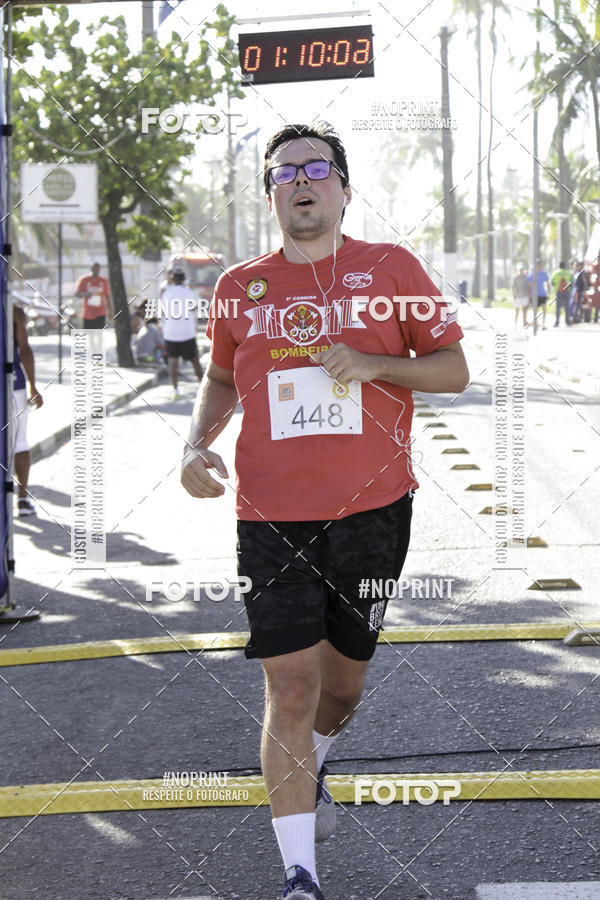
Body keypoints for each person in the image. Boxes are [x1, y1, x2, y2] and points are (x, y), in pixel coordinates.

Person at [180, 122, 469, 900]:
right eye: (284, 172)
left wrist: (375, 362)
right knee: (292, 689)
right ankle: (300, 875)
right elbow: (218, 378)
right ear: (272, 192)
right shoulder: (240, 286)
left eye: (316, 168)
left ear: (343, 185)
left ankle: (319, 763)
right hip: (270, 515)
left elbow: (454, 369)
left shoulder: (391, 267)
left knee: (341, 691)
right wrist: (194, 443)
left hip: (373, 510)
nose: (301, 181)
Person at [12, 303, 43, 516]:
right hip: (14, 384)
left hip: (14, 386)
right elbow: (24, 350)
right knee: (20, 442)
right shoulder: (15, 312)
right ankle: (22, 500)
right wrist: (33, 386)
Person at [159, 267, 203, 399]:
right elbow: (195, 308)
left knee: (173, 362)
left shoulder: (165, 293)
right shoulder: (189, 293)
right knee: (195, 361)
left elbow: (161, 310)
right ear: (184, 280)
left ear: (172, 279)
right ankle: (202, 387)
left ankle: (175, 391)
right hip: (187, 332)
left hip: (170, 333)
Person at [74, 262, 112, 329]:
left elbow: (107, 296)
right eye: (94, 269)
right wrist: (86, 295)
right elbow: (77, 294)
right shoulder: (84, 280)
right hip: (87, 313)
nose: (95, 271)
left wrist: (110, 310)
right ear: (91, 269)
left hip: (100, 312)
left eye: (97, 269)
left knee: (99, 333)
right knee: (89, 334)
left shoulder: (103, 281)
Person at [528, 260, 549, 329]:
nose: (539, 266)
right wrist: (529, 295)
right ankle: (535, 323)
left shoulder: (544, 273)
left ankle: (543, 324)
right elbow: (529, 285)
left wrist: (548, 292)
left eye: (539, 264)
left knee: (544, 309)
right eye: (537, 264)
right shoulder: (532, 274)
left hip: (542, 294)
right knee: (535, 310)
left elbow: (547, 283)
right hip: (534, 294)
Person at [550, 260, 572, 327]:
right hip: (567, 291)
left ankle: (557, 322)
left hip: (558, 291)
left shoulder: (555, 273)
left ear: (559, 266)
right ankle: (567, 322)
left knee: (558, 307)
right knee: (567, 307)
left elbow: (552, 282)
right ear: (564, 266)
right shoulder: (568, 273)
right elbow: (572, 282)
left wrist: (556, 286)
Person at [512, 264, 530, 328]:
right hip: (518, 296)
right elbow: (513, 287)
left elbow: (528, 287)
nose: (521, 271)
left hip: (524, 296)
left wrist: (528, 296)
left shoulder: (526, 277)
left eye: (522, 270)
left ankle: (524, 323)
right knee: (517, 311)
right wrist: (514, 295)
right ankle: (515, 323)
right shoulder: (516, 277)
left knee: (524, 311)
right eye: (520, 270)